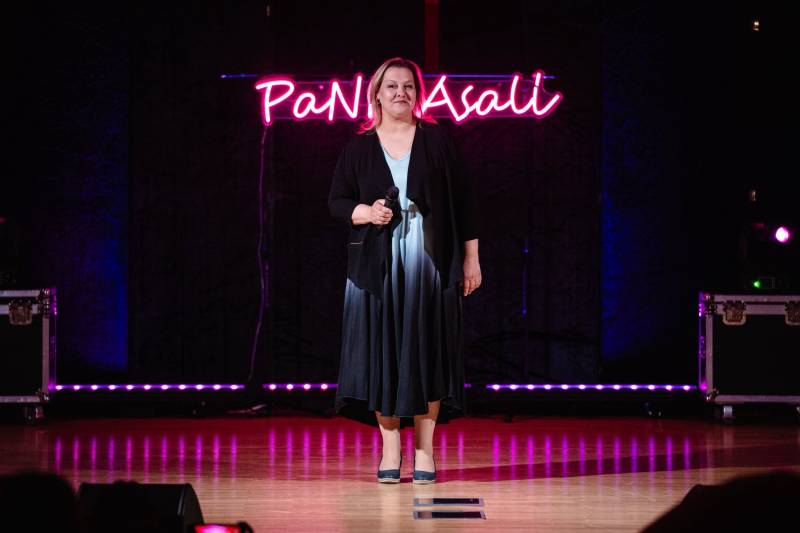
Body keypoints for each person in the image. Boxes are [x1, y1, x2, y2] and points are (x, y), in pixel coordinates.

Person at [328, 57, 481, 483]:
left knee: (428, 349)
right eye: (392, 86)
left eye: (408, 86)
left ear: (417, 93)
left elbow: (464, 203)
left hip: (430, 260)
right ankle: (390, 449)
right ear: (376, 93)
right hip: (375, 265)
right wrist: (365, 211)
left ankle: (425, 451)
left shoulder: (438, 141)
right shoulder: (358, 148)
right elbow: (337, 202)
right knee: (383, 352)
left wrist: (471, 257)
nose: (401, 93)